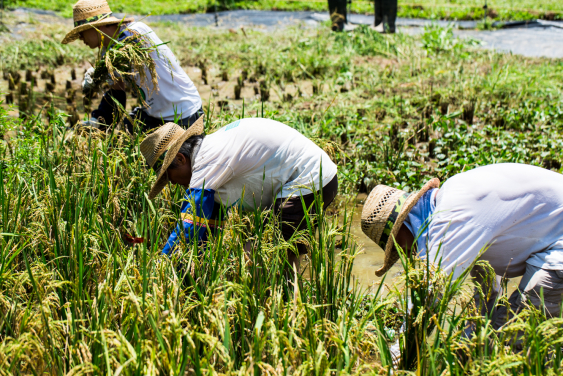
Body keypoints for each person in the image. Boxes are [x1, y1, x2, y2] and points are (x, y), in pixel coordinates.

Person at [361, 163, 563, 332]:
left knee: (511, 336)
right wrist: (471, 333)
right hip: (554, 237)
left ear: (402, 227)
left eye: (398, 247)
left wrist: (398, 354)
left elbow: (430, 298)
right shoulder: (454, 204)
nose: (406, 255)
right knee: (487, 337)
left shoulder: (449, 220)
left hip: (558, 249)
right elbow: (488, 290)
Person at [139, 116, 338, 270]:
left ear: (181, 159)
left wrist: (163, 265)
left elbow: (189, 226)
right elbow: (208, 228)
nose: (172, 183)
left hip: (308, 180)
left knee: (254, 255)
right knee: (284, 257)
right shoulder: (210, 156)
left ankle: (284, 306)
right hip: (315, 179)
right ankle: (290, 302)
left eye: (169, 176)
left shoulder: (207, 162)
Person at [62, 0, 203, 132]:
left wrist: (99, 71)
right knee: (125, 134)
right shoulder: (108, 52)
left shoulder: (135, 31)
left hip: (183, 114)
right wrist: (98, 121)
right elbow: (117, 93)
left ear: (98, 27)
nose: (81, 38)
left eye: (82, 32)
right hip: (155, 116)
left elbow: (124, 49)